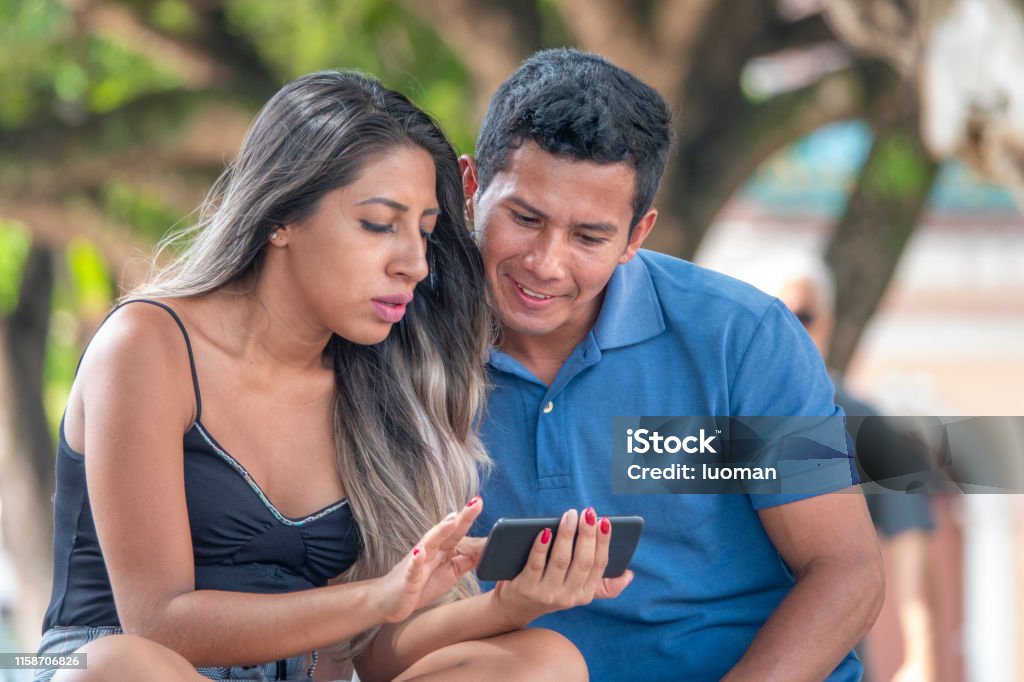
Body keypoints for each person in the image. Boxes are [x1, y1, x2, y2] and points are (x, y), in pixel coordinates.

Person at [34, 70, 610, 682]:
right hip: (121, 663)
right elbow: (159, 623)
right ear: (282, 214)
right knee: (120, 666)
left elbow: (375, 656)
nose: (414, 264)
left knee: (543, 660)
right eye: (379, 224)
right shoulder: (149, 345)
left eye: (424, 232)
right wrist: (377, 597)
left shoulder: (379, 382)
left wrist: (505, 604)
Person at [463, 49, 885, 681]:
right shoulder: (402, 340)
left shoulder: (745, 337)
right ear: (471, 187)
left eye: (589, 237)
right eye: (525, 218)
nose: (546, 263)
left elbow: (847, 571)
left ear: (637, 235)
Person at [770, 257, 938, 682]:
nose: (792, 329)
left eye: (803, 316)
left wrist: (922, 654)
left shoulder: (860, 420)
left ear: (826, 321)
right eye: (775, 315)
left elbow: (909, 534)